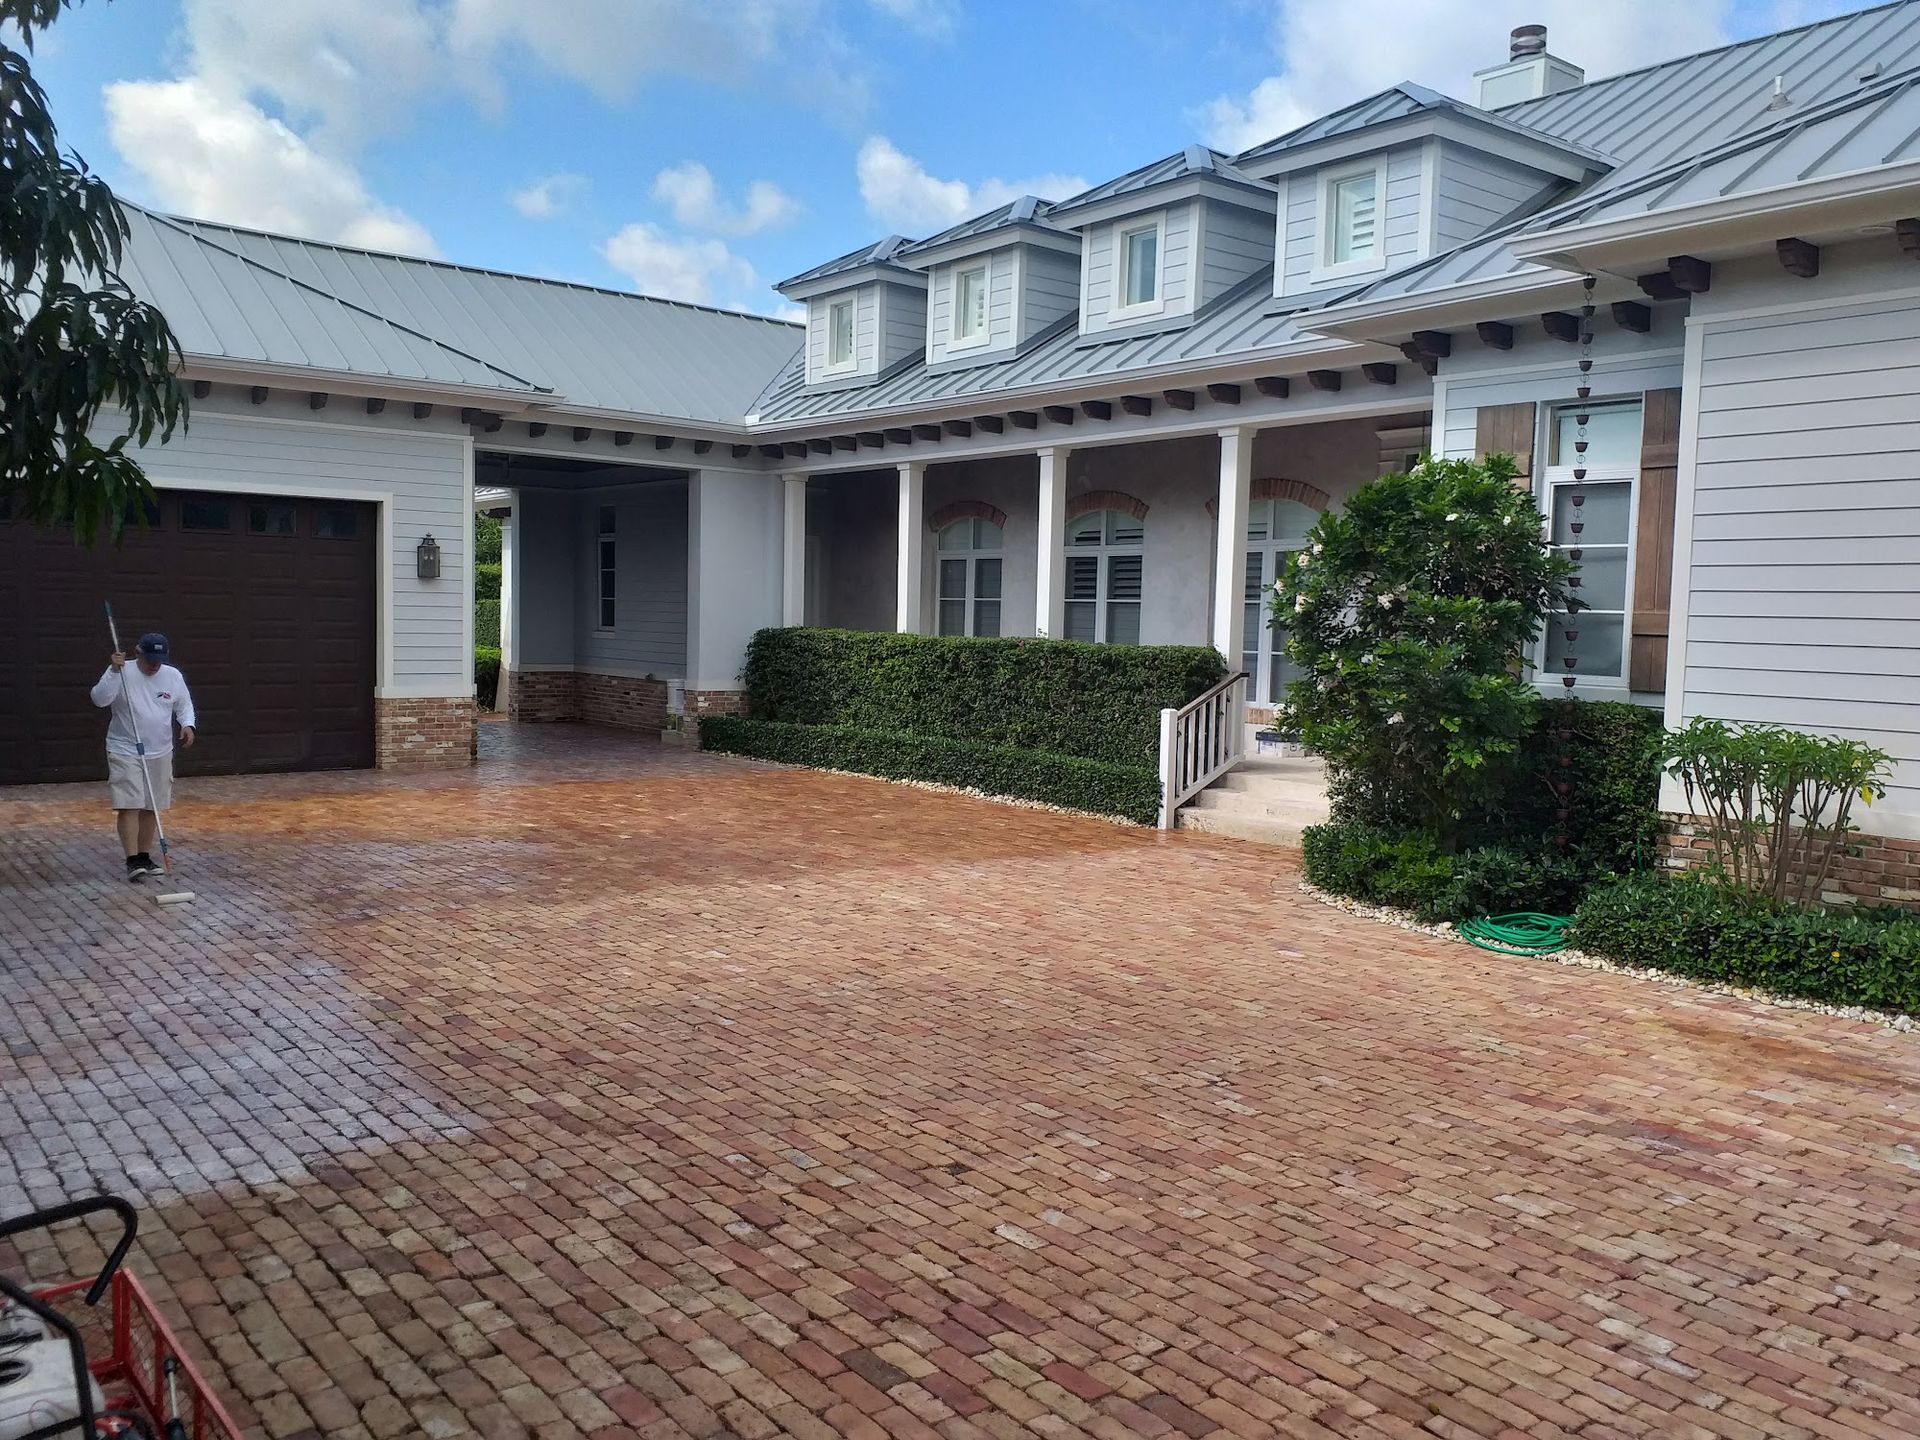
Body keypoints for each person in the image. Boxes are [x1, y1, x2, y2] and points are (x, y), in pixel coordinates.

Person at [90, 632, 196, 882]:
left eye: (158, 660)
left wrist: (187, 724)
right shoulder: (121, 671)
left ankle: (144, 856)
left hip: (160, 749)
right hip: (125, 748)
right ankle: (131, 861)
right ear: (137, 653)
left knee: (151, 806)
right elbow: (99, 699)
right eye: (149, 660)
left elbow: (184, 704)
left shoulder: (172, 676)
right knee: (130, 803)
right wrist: (113, 672)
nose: (154, 665)